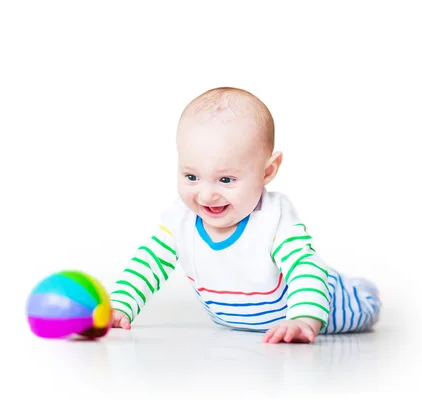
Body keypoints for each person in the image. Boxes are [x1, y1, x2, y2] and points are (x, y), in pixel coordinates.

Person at [109, 87, 381, 344]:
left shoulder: (272, 217)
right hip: (242, 320)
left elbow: (305, 269)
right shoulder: (181, 219)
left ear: (267, 171)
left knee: (363, 300)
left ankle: (364, 290)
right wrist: (119, 306)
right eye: (191, 176)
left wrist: (303, 320)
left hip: (329, 304)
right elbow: (147, 263)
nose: (206, 195)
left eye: (226, 180)